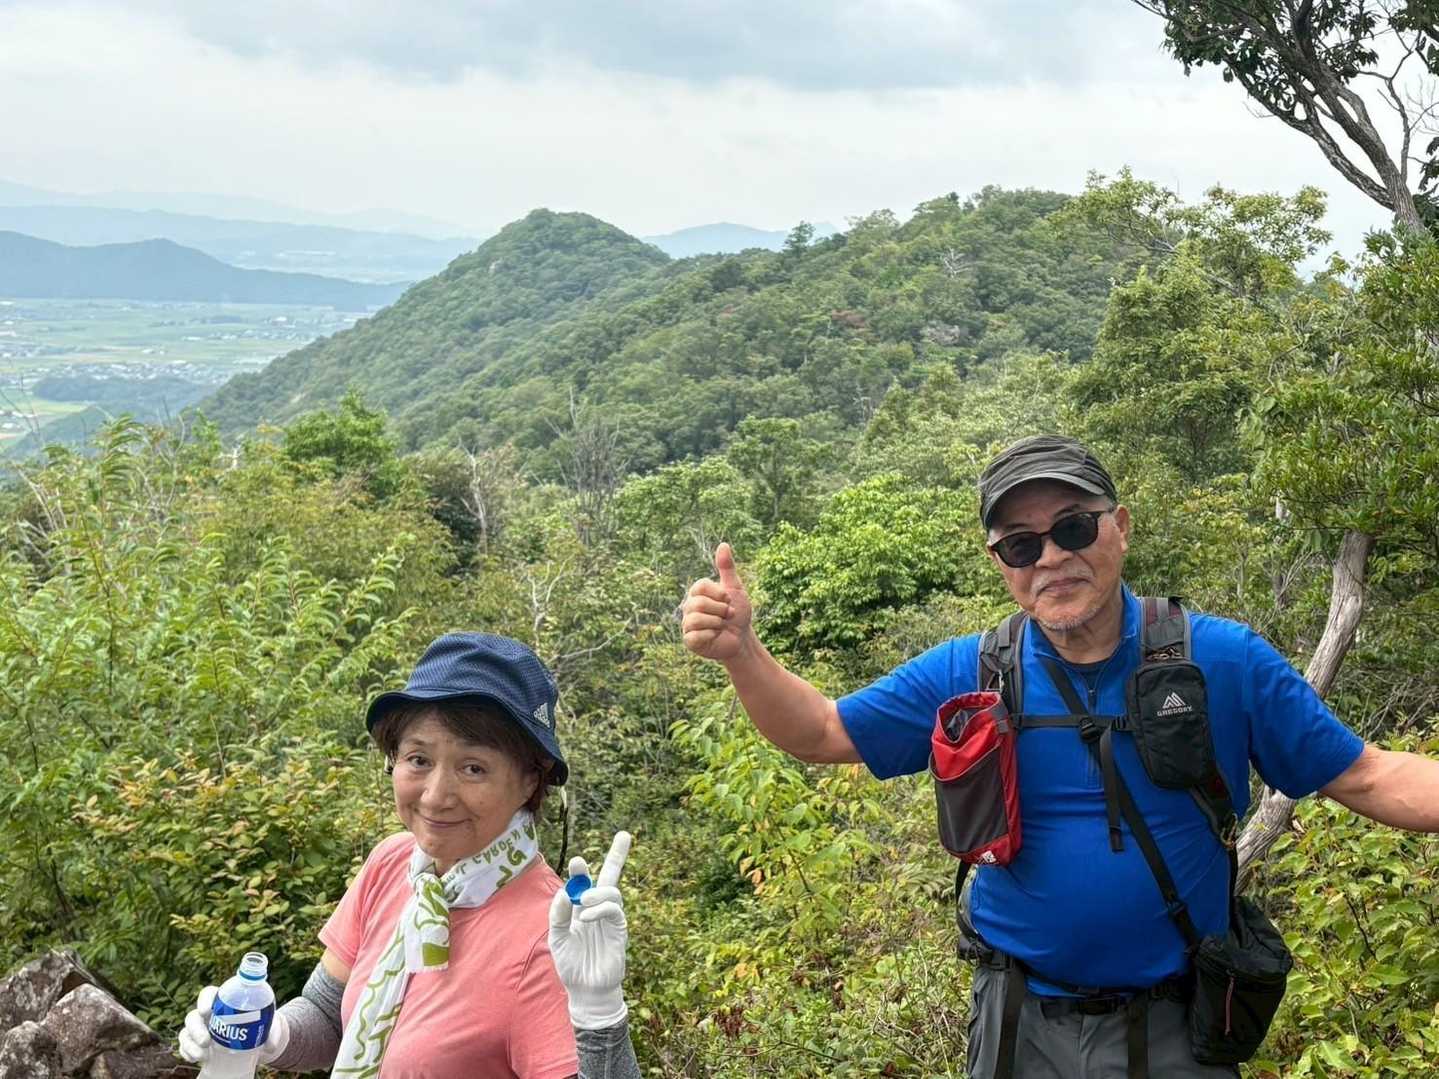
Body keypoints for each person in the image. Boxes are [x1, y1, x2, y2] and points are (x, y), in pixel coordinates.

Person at [681, 434, 1439, 1079]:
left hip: (1176, 1019)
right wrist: (743, 652)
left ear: (1120, 528)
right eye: (1021, 543)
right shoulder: (973, 672)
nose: (1051, 556)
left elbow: (1367, 774)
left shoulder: (1221, 661)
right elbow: (821, 731)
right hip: (1018, 1019)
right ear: (1001, 562)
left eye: (1073, 527)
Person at [178, 632, 642, 1079]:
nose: (436, 796)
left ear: (529, 782)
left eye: (473, 768)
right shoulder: (393, 864)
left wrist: (599, 1017)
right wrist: (268, 1035)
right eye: (418, 759)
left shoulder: (551, 938)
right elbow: (329, 1014)